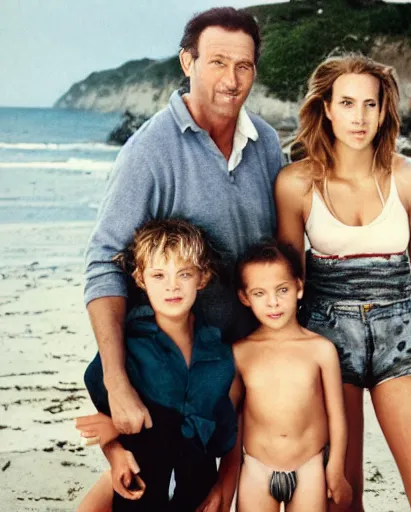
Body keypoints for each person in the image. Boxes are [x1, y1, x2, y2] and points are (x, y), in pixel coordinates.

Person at [83, 6, 283, 441]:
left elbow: (280, 252)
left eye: (243, 66)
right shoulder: (148, 151)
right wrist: (117, 386)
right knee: (155, 489)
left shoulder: (266, 142)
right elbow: (103, 263)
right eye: (217, 63)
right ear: (187, 62)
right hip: (173, 369)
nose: (231, 80)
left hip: (251, 357)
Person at [275, 54, 411, 511]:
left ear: (383, 111)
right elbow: (289, 286)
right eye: (348, 103)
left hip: (401, 337)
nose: (359, 117)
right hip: (327, 338)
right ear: (327, 108)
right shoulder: (295, 184)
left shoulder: (410, 179)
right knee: (342, 496)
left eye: (370, 105)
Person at [77, 219, 241, 512]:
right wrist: (115, 452)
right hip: (138, 494)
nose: (172, 286)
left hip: (196, 496)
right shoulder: (128, 350)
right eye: (159, 275)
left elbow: (225, 438)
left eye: (184, 274)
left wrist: (222, 489)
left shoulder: (220, 356)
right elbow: (107, 423)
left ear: (202, 278)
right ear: (140, 279)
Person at [232, 241, 352, 512]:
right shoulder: (240, 353)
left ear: (298, 287)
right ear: (244, 297)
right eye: (259, 293)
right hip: (256, 467)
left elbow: (337, 416)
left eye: (282, 290)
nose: (273, 302)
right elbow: (233, 421)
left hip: (309, 465)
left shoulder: (321, 350)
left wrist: (335, 468)